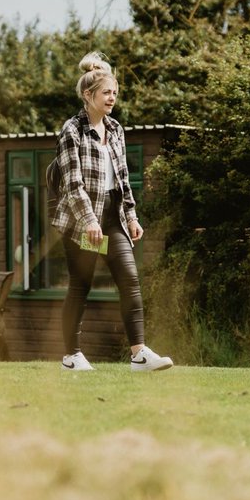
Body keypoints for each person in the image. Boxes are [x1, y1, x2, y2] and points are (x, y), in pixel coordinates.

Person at [51, 52, 172, 373]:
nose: (112, 98)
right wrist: (89, 221)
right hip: (81, 223)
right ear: (88, 95)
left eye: (115, 93)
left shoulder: (116, 129)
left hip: (112, 218)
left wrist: (131, 216)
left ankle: (139, 355)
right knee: (81, 284)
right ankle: (71, 356)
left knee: (130, 280)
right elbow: (73, 183)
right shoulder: (72, 130)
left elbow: (123, 178)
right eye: (106, 93)